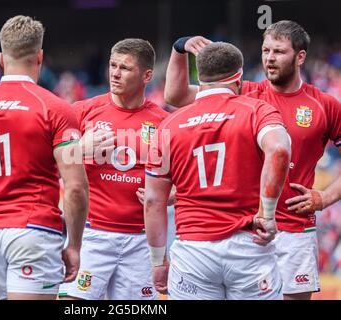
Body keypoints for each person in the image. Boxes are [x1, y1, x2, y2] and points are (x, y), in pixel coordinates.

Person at [163, 20, 341, 300]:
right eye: (265, 50)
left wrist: (325, 197)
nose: (270, 58)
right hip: (247, 230)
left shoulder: (324, 105)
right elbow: (176, 96)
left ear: (300, 57)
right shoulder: (245, 91)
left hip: (294, 229)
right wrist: (179, 48)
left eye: (279, 52)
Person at [0, 15, 88, 300]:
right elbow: (75, 187)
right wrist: (74, 245)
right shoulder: (55, 108)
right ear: (40, 57)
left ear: (0, 59)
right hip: (33, 230)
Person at [144, 42, 291, 300]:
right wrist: (267, 214)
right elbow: (279, 150)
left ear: (199, 78)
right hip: (248, 246)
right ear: (239, 76)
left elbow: (153, 200)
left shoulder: (168, 125)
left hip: (193, 251)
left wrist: (158, 262)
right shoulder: (256, 110)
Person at [58, 38, 169, 300]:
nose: (115, 74)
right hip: (91, 234)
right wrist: (78, 149)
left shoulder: (164, 122)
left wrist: (172, 193)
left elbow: (183, 176)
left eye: (125, 68)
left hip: (141, 240)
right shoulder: (81, 112)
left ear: (147, 75)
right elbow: (42, 164)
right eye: (112, 65)